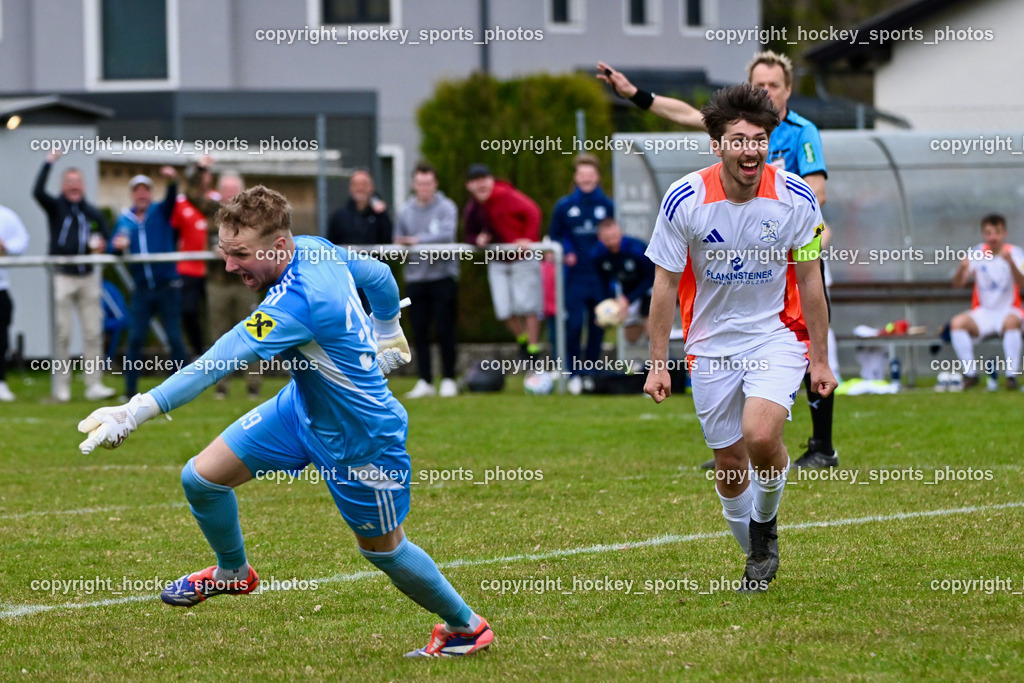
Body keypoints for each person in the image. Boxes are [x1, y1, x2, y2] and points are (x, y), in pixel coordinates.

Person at [76, 186, 493, 658]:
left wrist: (133, 411)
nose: (230, 266)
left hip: (360, 439)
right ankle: (233, 573)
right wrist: (388, 329)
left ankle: (466, 627)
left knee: (385, 550)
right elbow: (376, 274)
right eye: (224, 252)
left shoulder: (297, 303)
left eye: (239, 255)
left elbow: (218, 361)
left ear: (278, 247)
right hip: (300, 408)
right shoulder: (315, 246)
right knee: (201, 478)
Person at [599, 51, 839, 469]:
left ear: (787, 90)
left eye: (774, 85)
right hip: (731, 255)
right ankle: (733, 448)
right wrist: (634, 94)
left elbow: (815, 190)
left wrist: (785, 219)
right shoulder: (732, 126)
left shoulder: (802, 132)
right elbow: (685, 113)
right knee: (733, 436)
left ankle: (820, 443)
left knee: (810, 339)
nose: (766, 90)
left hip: (789, 250)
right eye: (759, 83)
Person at [643, 84, 836, 592]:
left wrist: (820, 359)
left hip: (775, 335)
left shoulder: (795, 198)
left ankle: (765, 527)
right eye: (739, 140)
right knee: (729, 467)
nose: (750, 150)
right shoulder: (685, 199)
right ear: (717, 145)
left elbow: (811, 281)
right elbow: (663, 284)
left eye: (759, 140)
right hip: (709, 346)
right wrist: (658, 361)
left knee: (761, 435)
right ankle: (756, 553)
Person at [33, 150, 116, 402]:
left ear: (83, 186)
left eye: (76, 182)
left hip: (89, 277)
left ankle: (94, 384)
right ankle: (62, 388)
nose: (73, 187)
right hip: (63, 277)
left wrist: (105, 247)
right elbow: (36, 192)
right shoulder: (56, 207)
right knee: (62, 332)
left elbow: (107, 240)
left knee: (92, 331)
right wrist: (48, 162)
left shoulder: (93, 212)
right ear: (62, 186)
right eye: (68, 183)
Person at [185, 161, 262, 400]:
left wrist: (235, 252)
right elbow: (190, 194)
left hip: (246, 283)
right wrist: (199, 170)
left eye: (233, 190)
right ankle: (221, 386)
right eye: (225, 190)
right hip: (217, 282)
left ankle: (253, 387)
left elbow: (262, 244)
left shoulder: (253, 216)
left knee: (254, 335)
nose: (229, 195)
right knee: (219, 336)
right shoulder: (214, 210)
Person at [112, 169, 189, 398]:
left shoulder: (160, 212)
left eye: (146, 190)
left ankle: (184, 388)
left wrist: (172, 180)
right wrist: (116, 246)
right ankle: (130, 390)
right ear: (132, 195)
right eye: (138, 191)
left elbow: (172, 198)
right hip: (142, 290)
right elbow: (111, 247)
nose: (142, 195)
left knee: (174, 338)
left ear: (151, 193)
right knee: (135, 339)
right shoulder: (125, 220)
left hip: (166, 287)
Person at [463, 164, 543, 357]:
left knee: (528, 306)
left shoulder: (506, 196)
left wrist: (529, 239)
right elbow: (469, 234)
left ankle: (533, 349)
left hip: (522, 258)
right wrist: (478, 240)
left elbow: (533, 212)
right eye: (476, 181)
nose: (481, 184)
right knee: (503, 309)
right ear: (469, 186)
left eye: (484, 179)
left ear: (492, 180)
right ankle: (522, 340)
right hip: (498, 261)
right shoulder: (473, 208)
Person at [394, 162, 460, 399]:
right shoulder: (405, 210)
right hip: (415, 279)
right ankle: (425, 380)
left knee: (445, 330)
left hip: (443, 276)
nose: (424, 188)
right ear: (414, 184)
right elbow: (398, 239)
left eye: (428, 183)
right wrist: (409, 243)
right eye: (420, 183)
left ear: (435, 184)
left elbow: (446, 235)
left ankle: (450, 379)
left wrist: (416, 241)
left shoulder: (446, 207)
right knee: (419, 331)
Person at [549, 154, 615, 377]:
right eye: (582, 175)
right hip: (574, 277)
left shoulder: (607, 206)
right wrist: (565, 252)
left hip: (600, 277)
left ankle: (591, 371)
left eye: (590, 174)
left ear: (597, 177)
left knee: (599, 324)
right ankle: (573, 371)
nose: (586, 179)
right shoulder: (564, 206)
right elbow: (553, 236)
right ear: (576, 178)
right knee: (574, 324)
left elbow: (615, 237)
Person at [950, 213, 1024, 390]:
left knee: (1012, 323)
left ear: (1004, 233)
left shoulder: (1015, 253)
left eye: (997, 232)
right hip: (984, 312)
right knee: (957, 323)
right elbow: (957, 283)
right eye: (989, 233)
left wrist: (1011, 264)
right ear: (983, 234)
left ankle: (1011, 376)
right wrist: (961, 269)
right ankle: (971, 374)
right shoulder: (976, 252)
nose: (993, 237)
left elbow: (1022, 284)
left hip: (1009, 310)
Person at [591, 217, 655, 344]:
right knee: (631, 337)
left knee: (652, 330)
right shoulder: (598, 255)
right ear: (600, 238)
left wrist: (628, 299)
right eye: (608, 238)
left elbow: (651, 277)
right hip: (628, 292)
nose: (612, 240)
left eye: (614, 235)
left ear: (620, 232)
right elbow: (602, 282)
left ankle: (661, 362)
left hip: (649, 288)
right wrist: (603, 306)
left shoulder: (637, 249)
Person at [171, 178, 211, 357]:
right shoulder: (181, 203)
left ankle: (215, 355)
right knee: (188, 312)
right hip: (188, 269)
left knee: (212, 315)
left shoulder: (214, 202)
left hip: (213, 269)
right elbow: (172, 233)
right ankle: (197, 352)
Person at [0, 204, 29, 402]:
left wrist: (6, 247)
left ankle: (0, 382)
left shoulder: (6, 216)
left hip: (0, 287)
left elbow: (22, 241)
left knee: (1, 338)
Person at [327, 169, 393, 246]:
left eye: (364, 184)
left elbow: (387, 241)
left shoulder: (380, 215)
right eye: (356, 185)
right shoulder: (338, 217)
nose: (360, 188)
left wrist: (382, 215)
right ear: (350, 188)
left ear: (372, 187)